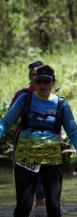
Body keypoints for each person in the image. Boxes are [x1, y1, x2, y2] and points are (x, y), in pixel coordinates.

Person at [0, 64, 77, 217]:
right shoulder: (24, 99)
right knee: (23, 207)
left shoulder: (62, 105)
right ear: (34, 82)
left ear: (53, 83)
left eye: (46, 82)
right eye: (39, 81)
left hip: (52, 160)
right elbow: (5, 123)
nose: (42, 85)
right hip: (26, 159)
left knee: (54, 209)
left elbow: (73, 132)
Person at [9, 60, 46, 207]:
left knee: (43, 186)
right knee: (25, 184)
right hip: (24, 141)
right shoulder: (21, 95)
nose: (35, 77)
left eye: (38, 74)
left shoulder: (53, 97)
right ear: (29, 77)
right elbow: (9, 119)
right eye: (32, 75)